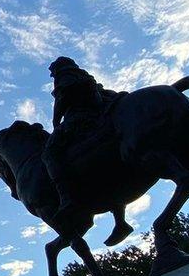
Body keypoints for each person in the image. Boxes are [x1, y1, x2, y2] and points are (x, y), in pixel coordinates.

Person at [44, 56, 133, 245]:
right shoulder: (84, 75)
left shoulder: (65, 78)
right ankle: (120, 220)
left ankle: (66, 197)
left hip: (80, 118)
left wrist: (55, 121)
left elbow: (62, 99)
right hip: (100, 112)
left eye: (53, 72)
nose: (53, 75)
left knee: (49, 153)